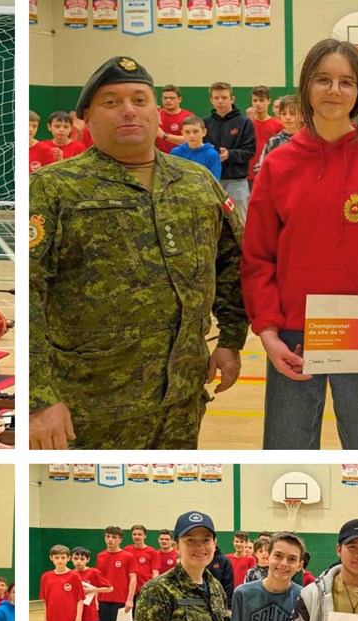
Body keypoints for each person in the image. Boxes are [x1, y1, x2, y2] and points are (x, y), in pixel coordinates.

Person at [29, 55, 247, 450]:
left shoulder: (197, 182)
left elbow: (233, 264)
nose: (129, 110)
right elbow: (29, 292)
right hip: (89, 407)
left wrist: (230, 340)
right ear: (86, 119)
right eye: (111, 102)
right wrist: (37, 400)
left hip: (180, 400)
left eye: (140, 99)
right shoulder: (53, 188)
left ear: (158, 113)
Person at [243, 39, 358, 449]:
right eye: (323, 79)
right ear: (306, 87)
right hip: (293, 335)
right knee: (285, 451)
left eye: (346, 82)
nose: (334, 90)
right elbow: (258, 257)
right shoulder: (279, 164)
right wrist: (267, 330)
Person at [205, 82, 257, 213]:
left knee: (240, 223)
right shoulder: (205, 123)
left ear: (232, 99)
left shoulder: (244, 122)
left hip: (236, 182)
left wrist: (229, 154)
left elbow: (250, 151)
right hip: (211, 182)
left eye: (224, 97)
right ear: (211, 100)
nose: (220, 101)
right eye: (216, 98)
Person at [95, 526, 138, 621]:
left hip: (121, 602)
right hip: (103, 601)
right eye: (108, 537)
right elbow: (97, 580)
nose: (110, 540)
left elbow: (133, 578)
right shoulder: (100, 556)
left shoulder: (127, 556)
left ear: (120, 539)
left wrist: (130, 599)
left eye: (114, 537)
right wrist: (95, 599)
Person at [157, 84, 194, 151]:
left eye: (172, 98)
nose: (168, 100)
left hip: (182, 158)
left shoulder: (189, 117)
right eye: (165, 98)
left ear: (179, 99)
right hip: (161, 158)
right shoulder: (157, 114)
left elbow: (190, 140)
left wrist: (164, 136)